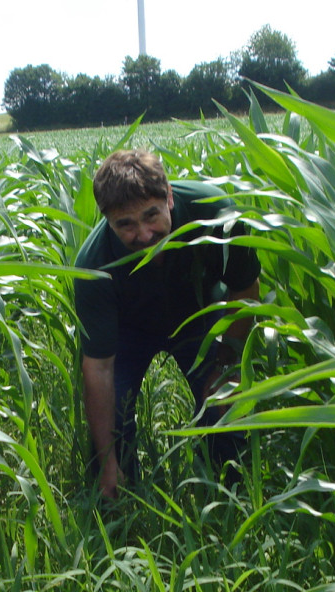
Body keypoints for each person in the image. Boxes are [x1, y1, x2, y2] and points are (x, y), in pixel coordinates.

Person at [73, 149, 261, 499]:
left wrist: (226, 366)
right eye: (125, 224)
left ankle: (230, 492)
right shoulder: (93, 266)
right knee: (113, 419)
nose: (144, 234)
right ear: (107, 220)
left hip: (198, 315)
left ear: (169, 197)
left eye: (151, 215)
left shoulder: (216, 214)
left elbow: (245, 288)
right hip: (128, 331)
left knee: (223, 401)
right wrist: (107, 461)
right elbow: (98, 368)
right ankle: (118, 493)